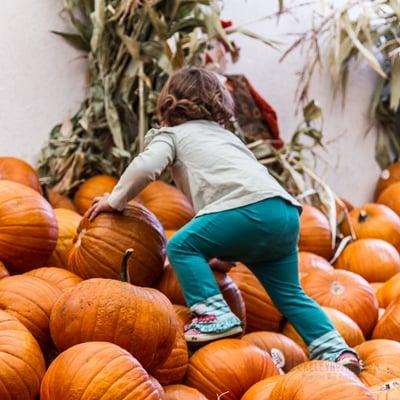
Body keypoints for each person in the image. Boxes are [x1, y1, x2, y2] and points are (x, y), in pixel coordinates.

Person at [85, 66, 361, 374]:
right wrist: (225, 259)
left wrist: (115, 199)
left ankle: (215, 315)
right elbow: (241, 186)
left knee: (180, 247)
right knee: (291, 295)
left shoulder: (173, 135)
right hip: (283, 213)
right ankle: (337, 351)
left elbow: (146, 166)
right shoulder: (227, 138)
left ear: (168, 103)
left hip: (248, 210)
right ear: (219, 106)